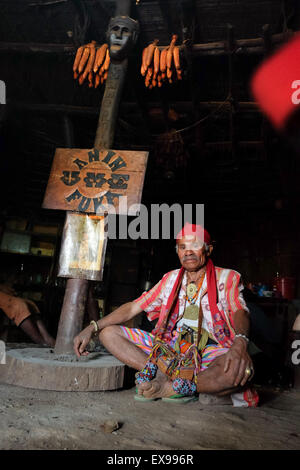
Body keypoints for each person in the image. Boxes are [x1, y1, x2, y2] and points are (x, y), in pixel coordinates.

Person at [74, 223, 258, 407]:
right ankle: (167, 376)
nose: (188, 252)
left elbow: (239, 311)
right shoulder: (170, 279)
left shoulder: (227, 277)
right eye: (182, 247)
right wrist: (93, 327)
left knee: (238, 370)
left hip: (209, 352)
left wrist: (240, 342)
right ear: (177, 252)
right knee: (109, 334)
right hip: (169, 350)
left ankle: (172, 387)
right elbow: (132, 308)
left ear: (208, 249)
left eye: (195, 245)